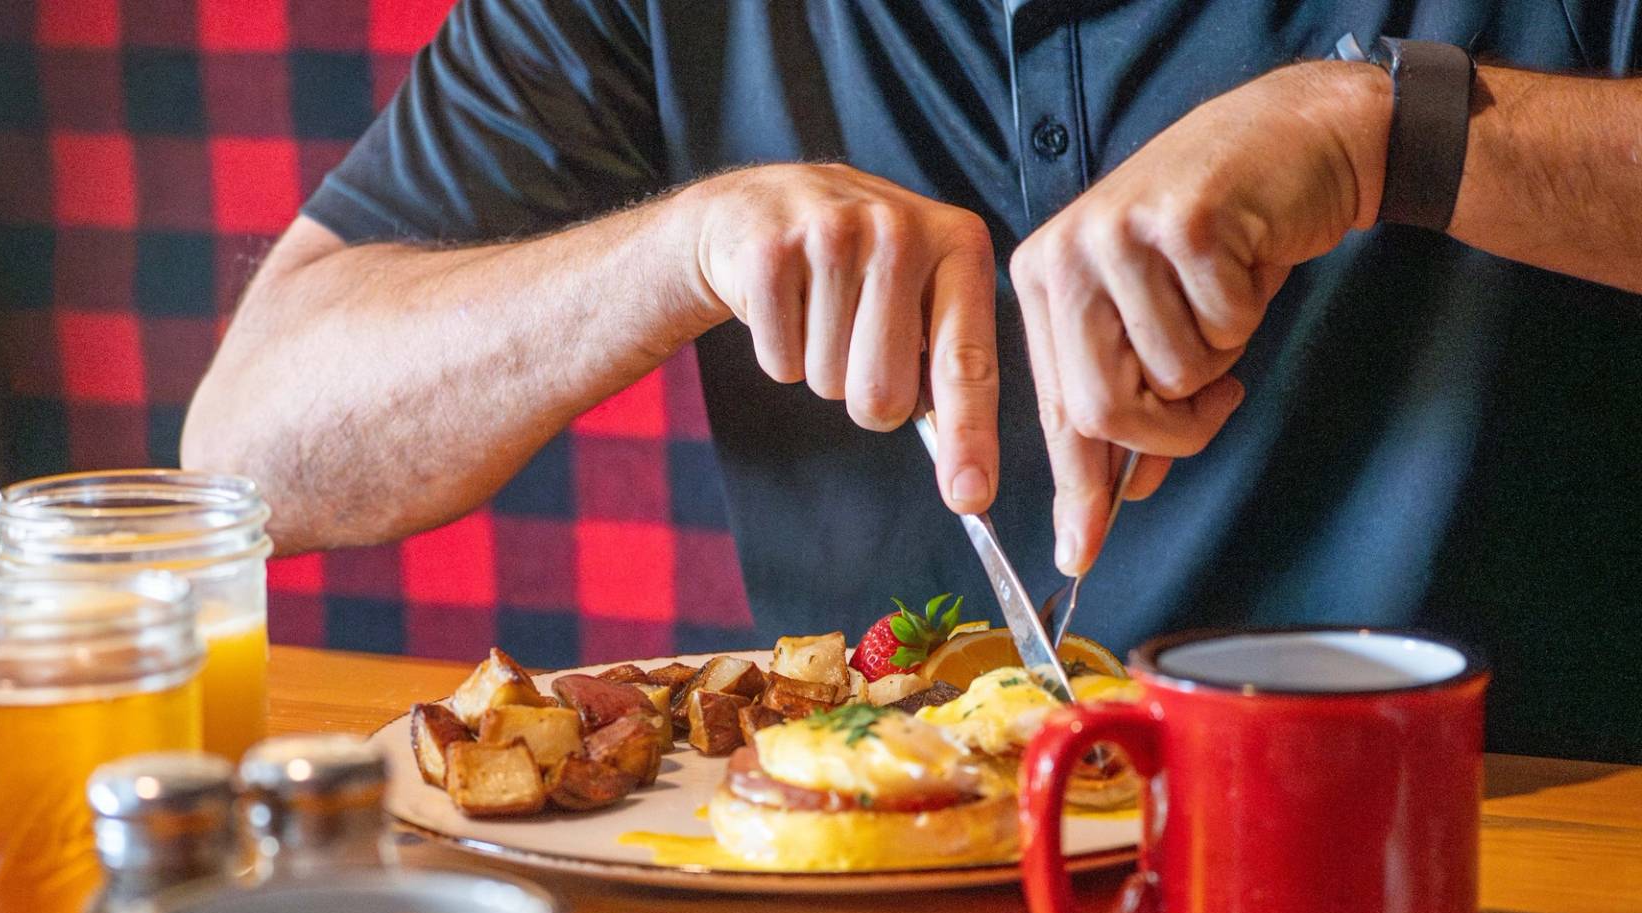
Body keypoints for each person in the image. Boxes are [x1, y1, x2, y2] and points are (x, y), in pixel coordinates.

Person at [183, 1, 1642, 762]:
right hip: (887, 890)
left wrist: (1381, 136)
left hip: (1508, 861)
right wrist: (679, 253)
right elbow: (250, 453)